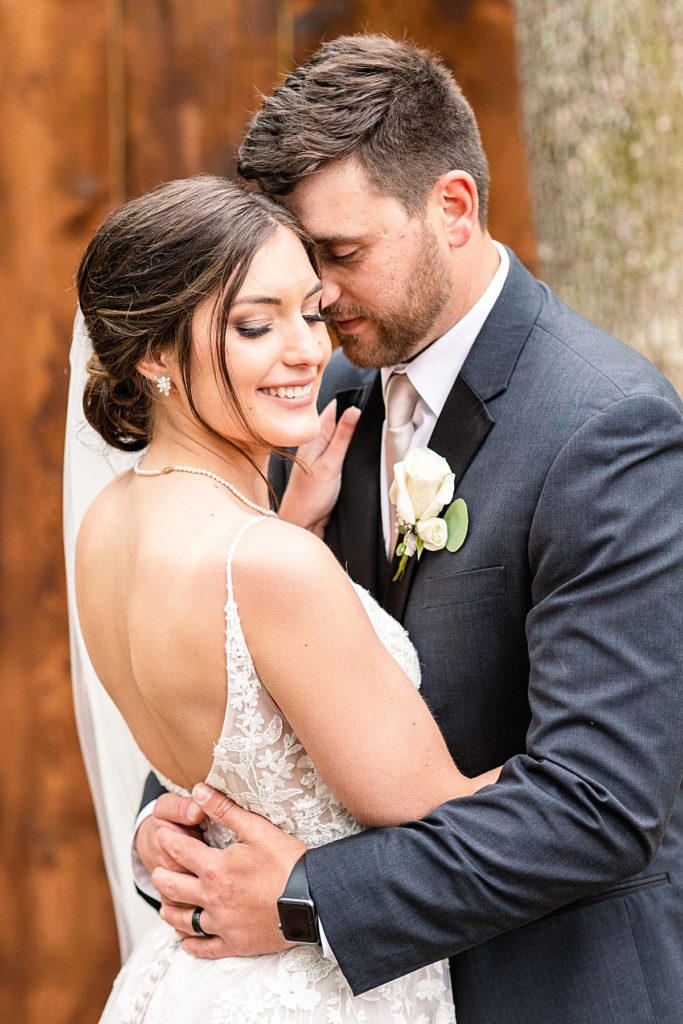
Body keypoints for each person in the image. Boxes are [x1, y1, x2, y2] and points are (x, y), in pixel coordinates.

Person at [134, 35, 683, 1024]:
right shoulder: (317, 400)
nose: (320, 300)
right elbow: (256, 672)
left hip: (550, 988)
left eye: (343, 255)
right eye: (302, 265)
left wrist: (304, 894)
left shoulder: (604, 428)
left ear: (454, 207)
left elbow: (601, 804)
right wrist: (175, 830)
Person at [73, 173, 504, 1021]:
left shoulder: (109, 520)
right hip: (318, 984)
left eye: (309, 311)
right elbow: (437, 816)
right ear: (154, 354)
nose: (308, 349)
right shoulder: (265, 564)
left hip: (191, 982)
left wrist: (291, 523)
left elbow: (228, 714)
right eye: (254, 325)